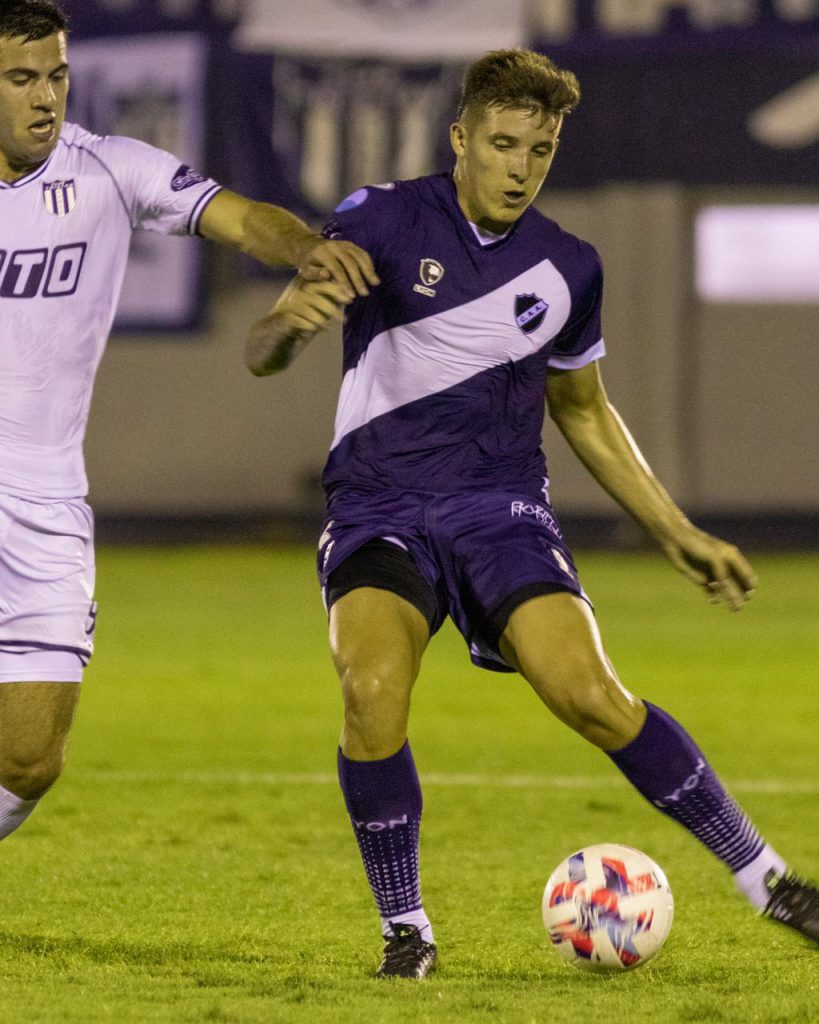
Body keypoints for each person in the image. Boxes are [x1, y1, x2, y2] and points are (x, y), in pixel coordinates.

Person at [246, 49, 818, 977]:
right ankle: (408, 930)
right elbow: (264, 346)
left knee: (591, 696)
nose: (519, 167)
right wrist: (293, 324)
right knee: (370, 694)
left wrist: (676, 532)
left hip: (499, 511)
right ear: (460, 137)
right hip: (377, 510)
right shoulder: (379, 217)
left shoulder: (568, 267)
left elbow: (584, 411)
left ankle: (767, 880)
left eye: (539, 150)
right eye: (503, 144)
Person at [0, 0, 378, 847]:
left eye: (55, 75)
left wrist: (305, 249)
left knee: (29, 761)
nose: (44, 97)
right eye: (20, 78)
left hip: (45, 504)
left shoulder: (110, 170)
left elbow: (244, 217)